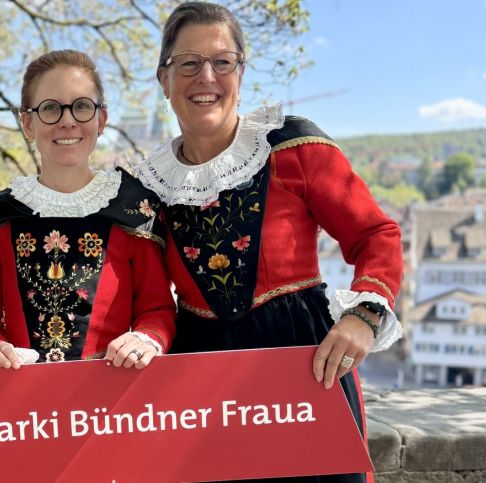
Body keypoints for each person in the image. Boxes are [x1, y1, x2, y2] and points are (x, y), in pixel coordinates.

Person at [136, 2, 403, 482]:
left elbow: (374, 234)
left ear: (241, 72)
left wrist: (363, 318)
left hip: (304, 364)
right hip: (198, 379)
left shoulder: (292, 147)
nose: (206, 77)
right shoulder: (146, 186)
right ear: (164, 79)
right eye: (189, 63)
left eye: (222, 62)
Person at [0, 50, 175, 370]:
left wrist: (143, 339)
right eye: (50, 108)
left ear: (101, 120)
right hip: (19, 405)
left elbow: (157, 310)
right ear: (27, 123)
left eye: (82, 106)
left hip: (115, 402)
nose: (68, 120)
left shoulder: (134, 210)